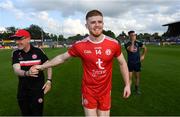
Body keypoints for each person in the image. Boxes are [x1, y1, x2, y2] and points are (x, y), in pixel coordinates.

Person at [30, 10, 130, 116]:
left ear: (103, 24)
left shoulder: (113, 43)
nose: (97, 25)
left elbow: (122, 63)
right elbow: (62, 58)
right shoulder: (80, 45)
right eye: (93, 22)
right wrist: (42, 66)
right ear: (86, 25)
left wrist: (127, 84)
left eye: (99, 22)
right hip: (89, 91)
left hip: (105, 91)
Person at [11, 29, 52, 116]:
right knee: (25, 114)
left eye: (20, 39)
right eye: (16, 39)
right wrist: (27, 73)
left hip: (37, 91)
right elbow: (16, 70)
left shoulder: (38, 51)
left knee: (37, 114)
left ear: (28, 39)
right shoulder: (15, 53)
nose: (17, 42)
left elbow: (48, 65)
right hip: (22, 91)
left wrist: (49, 81)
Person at [124, 30, 147, 94]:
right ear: (129, 36)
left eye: (135, 35)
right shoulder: (127, 44)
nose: (134, 36)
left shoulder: (138, 43)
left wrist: (143, 55)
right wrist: (133, 42)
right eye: (132, 35)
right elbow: (131, 50)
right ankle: (128, 90)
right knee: (129, 78)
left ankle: (136, 90)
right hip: (130, 63)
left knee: (137, 77)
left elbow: (145, 48)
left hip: (137, 63)